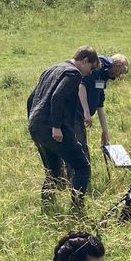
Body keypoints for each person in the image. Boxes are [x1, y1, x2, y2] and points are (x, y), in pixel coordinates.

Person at [26, 46, 99, 209]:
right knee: (82, 167)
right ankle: (77, 209)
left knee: (53, 172)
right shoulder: (73, 74)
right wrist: (56, 127)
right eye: (91, 67)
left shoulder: (51, 70)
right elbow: (57, 97)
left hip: (36, 127)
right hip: (53, 129)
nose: (90, 72)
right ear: (85, 60)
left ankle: (47, 208)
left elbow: (31, 98)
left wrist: (33, 121)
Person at [79, 53, 130, 153]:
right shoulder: (99, 67)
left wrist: (105, 131)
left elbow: (99, 103)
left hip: (81, 118)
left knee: (81, 148)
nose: (119, 76)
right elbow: (82, 85)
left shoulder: (103, 76)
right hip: (75, 114)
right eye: (121, 72)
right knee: (80, 151)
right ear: (118, 65)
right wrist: (86, 111)